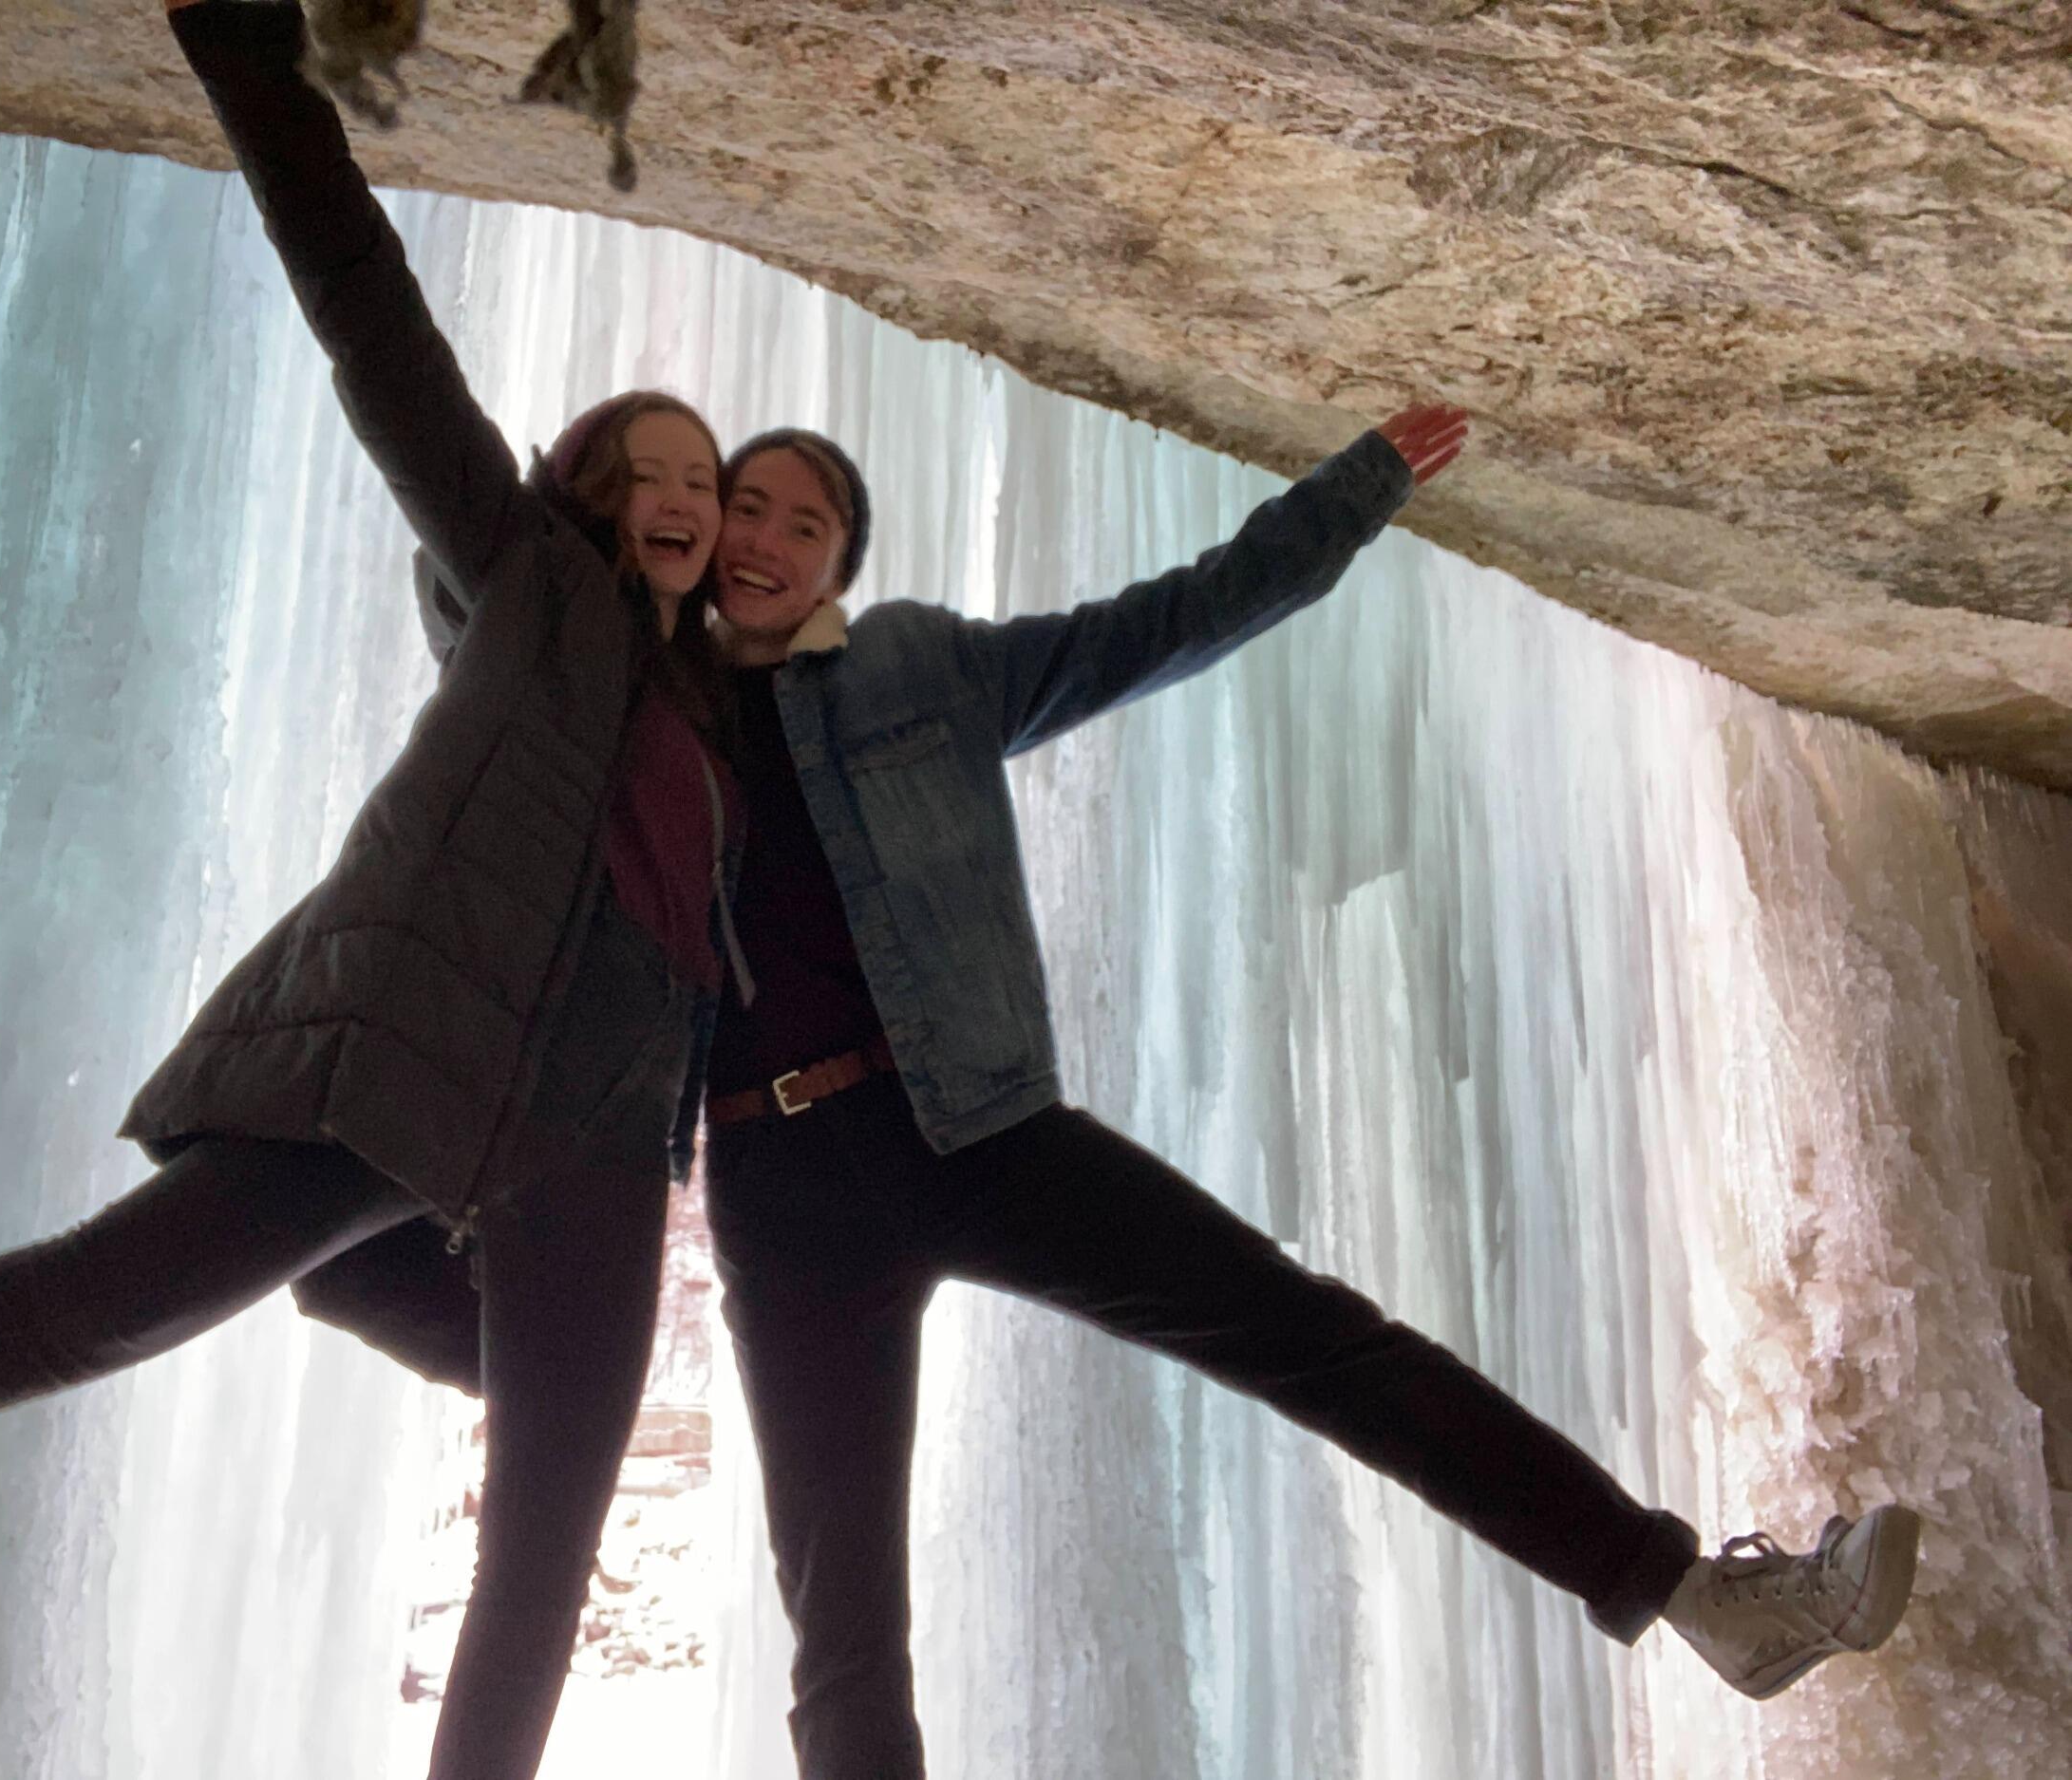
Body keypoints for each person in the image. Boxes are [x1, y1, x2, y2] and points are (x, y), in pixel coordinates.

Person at [0, 5, 748, 1776]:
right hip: (409, 1051)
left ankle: (401, 1286)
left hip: (592, 1132)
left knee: (544, 1559)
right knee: (77, 1311)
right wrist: (242, 52)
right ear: (575, 494)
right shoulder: (520, 585)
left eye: (702, 485)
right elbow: (369, 318)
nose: (677, 498)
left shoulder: (729, 721)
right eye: (636, 470)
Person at [693, 414, 1921, 1775]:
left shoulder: (918, 668)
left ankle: (1711, 1601)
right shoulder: (637, 697)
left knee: (1324, 1346)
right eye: (749, 507)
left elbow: (1173, 621)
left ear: (838, 570)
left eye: (807, 525)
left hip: (973, 1129)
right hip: (777, 1188)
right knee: (844, 1619)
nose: (767, 540)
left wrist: (1356, 490)